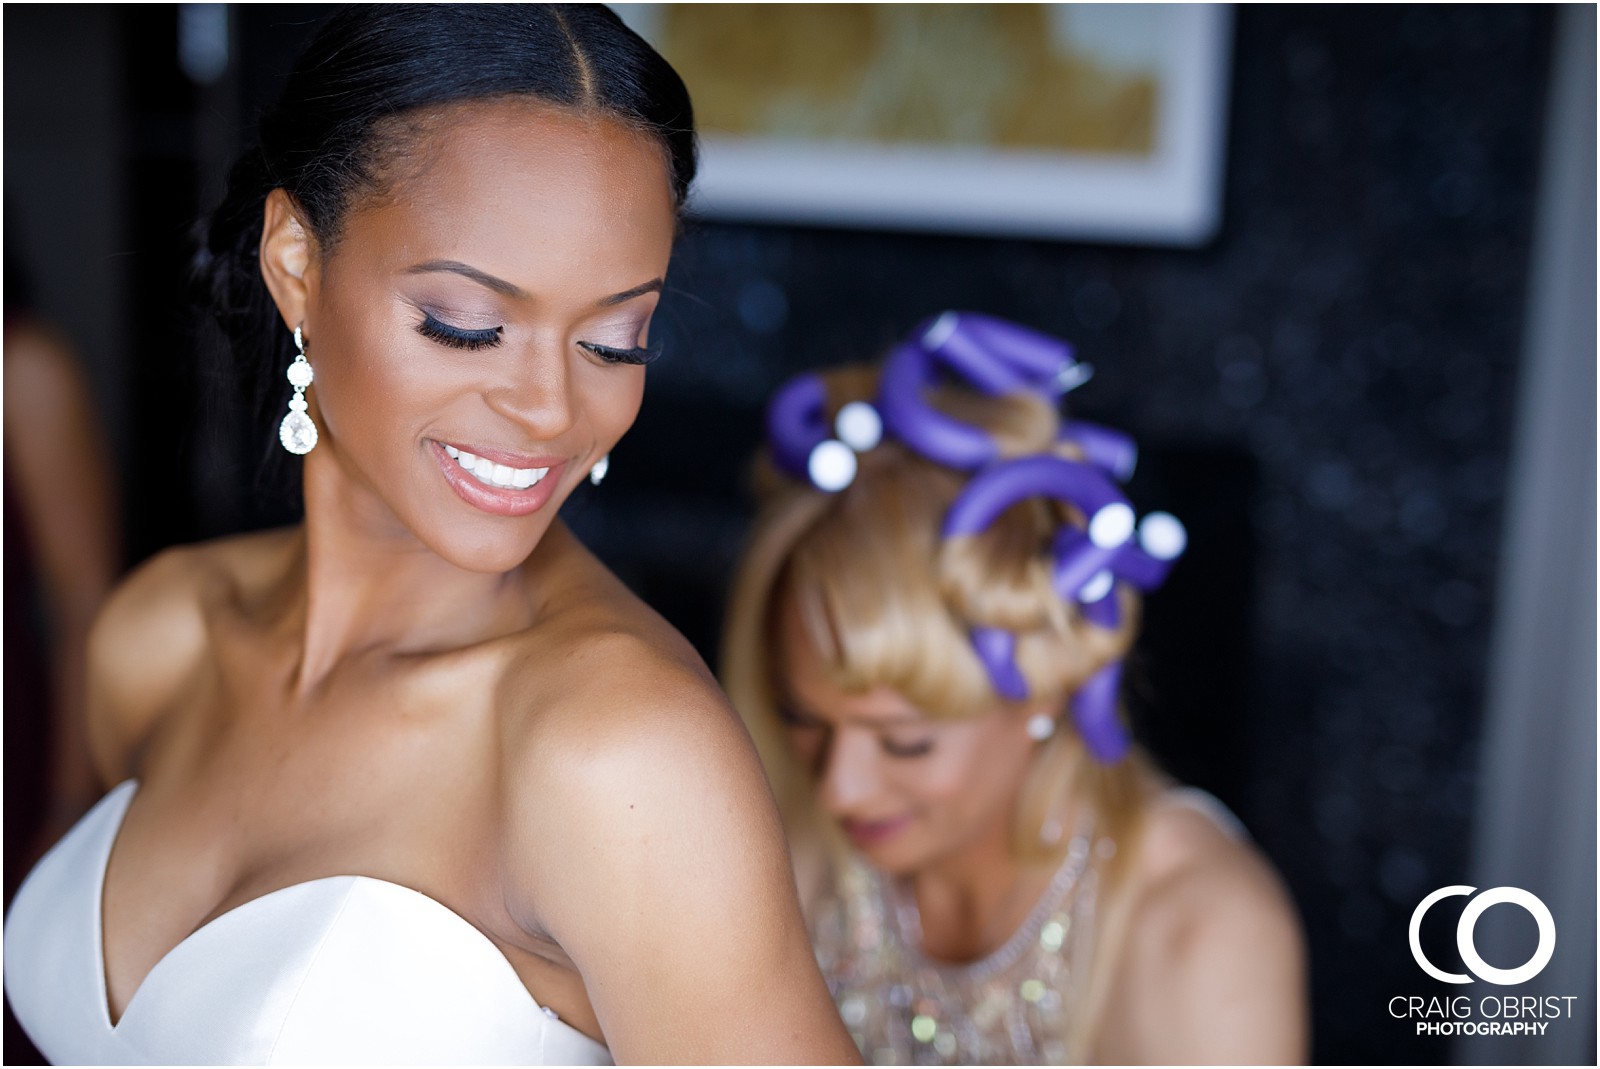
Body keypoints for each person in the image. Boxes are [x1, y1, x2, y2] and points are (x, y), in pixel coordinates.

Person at [2, 7, 859, 1065]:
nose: (548, 407)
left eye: (612, 341)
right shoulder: (160, 639)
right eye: (465, 322)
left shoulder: (618, 752)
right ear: (295, 263)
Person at [722, 312, 1308, 1064]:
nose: (840, 788)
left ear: (1046, 690)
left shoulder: (1200, 927)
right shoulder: (793, 850)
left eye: (906, 739)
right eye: (802, 717)